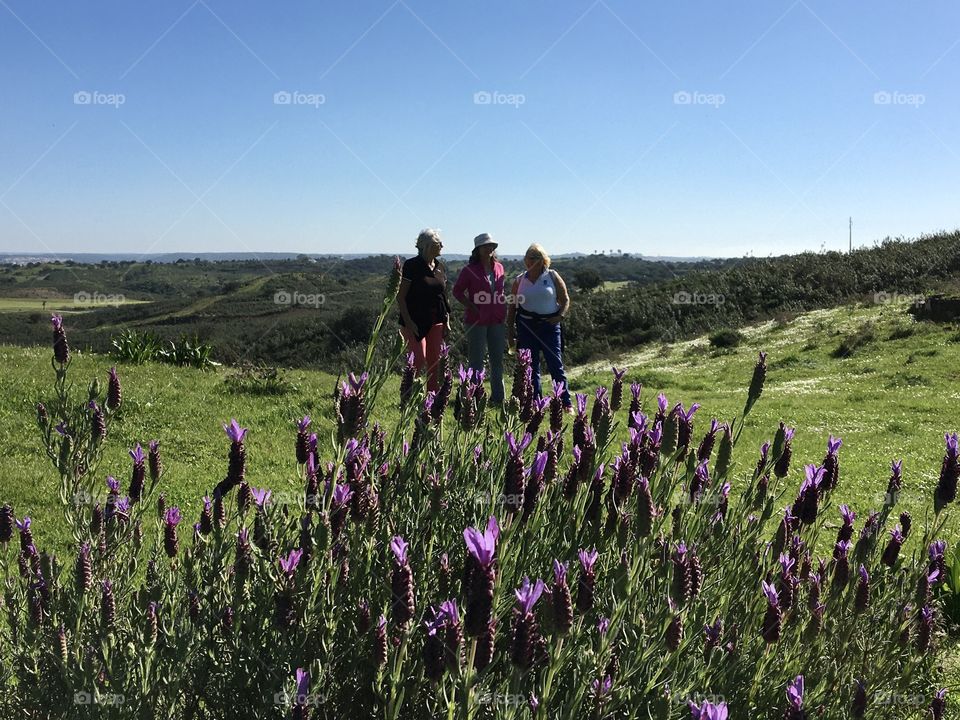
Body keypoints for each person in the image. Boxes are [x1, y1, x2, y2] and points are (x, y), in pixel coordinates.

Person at [506, 243, 572, 409]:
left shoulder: (552, 276)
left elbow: (565, 299)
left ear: (542, 260)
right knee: (530, 367)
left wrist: (560, 316)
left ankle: (565, 403)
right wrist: (510, 330)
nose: (529, 261)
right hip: (526, 326)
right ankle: (535, 402)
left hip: (549, 327)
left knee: (555, 365)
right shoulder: (519, 280)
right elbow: (512, 306)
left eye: (533, 258)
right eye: (527, 257)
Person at [452, 233, 507, 404]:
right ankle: (474, 397)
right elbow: (457, 291)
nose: (489, 248)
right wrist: (472, 307)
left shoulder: (499, 267)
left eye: (491, 245)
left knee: (497, 359)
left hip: (496, 319)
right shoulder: (469, 270)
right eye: (485, 246)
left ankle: (498, 398)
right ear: (478, 249)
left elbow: (501, 291)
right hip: (476, 320)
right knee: (476, 361)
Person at [397, 228, 450, 392]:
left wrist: (447, 320)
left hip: (437, 321)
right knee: (418, 359)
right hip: (415, 321)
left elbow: (443, 295)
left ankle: (432, 399)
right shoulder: (411, 265)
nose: (442, 245)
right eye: (438, 243)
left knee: (435, 362)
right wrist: (408, 322)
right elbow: (401, 296)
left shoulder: (440, 266)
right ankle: (407, 394)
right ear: (427, 246)